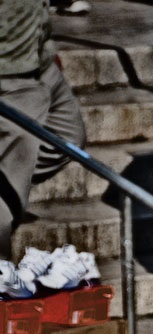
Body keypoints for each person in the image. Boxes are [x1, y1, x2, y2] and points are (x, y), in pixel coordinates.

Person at [0, 0, 86, 258]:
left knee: (68, 137)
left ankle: (13, 176)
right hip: (10, 68)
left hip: (37, 55)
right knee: (9, 183)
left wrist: (44, 42)